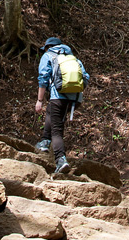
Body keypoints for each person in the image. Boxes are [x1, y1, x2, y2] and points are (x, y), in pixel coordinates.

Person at [34, 36, 89, 174]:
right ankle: (45, 141)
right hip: (75, 99)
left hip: (57, 96)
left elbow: (43, 78)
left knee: (57, 129)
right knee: (51, 113)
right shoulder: (73, 58)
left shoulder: (48, 56)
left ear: (48, 47)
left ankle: (60, 160)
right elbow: (85, 77)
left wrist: (40, 100)